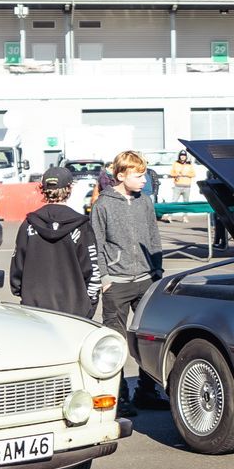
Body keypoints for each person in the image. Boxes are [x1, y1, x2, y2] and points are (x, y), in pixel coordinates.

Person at [92, 150, 166, 412]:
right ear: (121, 175)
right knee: (116, 342)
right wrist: (104, 277)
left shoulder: (145, 201)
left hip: (146, 279)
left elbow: (153, 236)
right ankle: (118, 396)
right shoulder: (103, 204)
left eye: (144, 174)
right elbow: (97, 244)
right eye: (139, 175)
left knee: (148, 339)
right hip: (117, 283)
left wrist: (157, 269)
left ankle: (147, 391)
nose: (144, 180)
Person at [10, 165, 102, 318]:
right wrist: (89, 304)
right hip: (74, 311)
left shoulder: (28, 225)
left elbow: (17, 269)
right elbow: (92, 270)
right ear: (70, 188)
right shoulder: (81, 226)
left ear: (42, 189)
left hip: (35, 309)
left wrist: (24, 294)